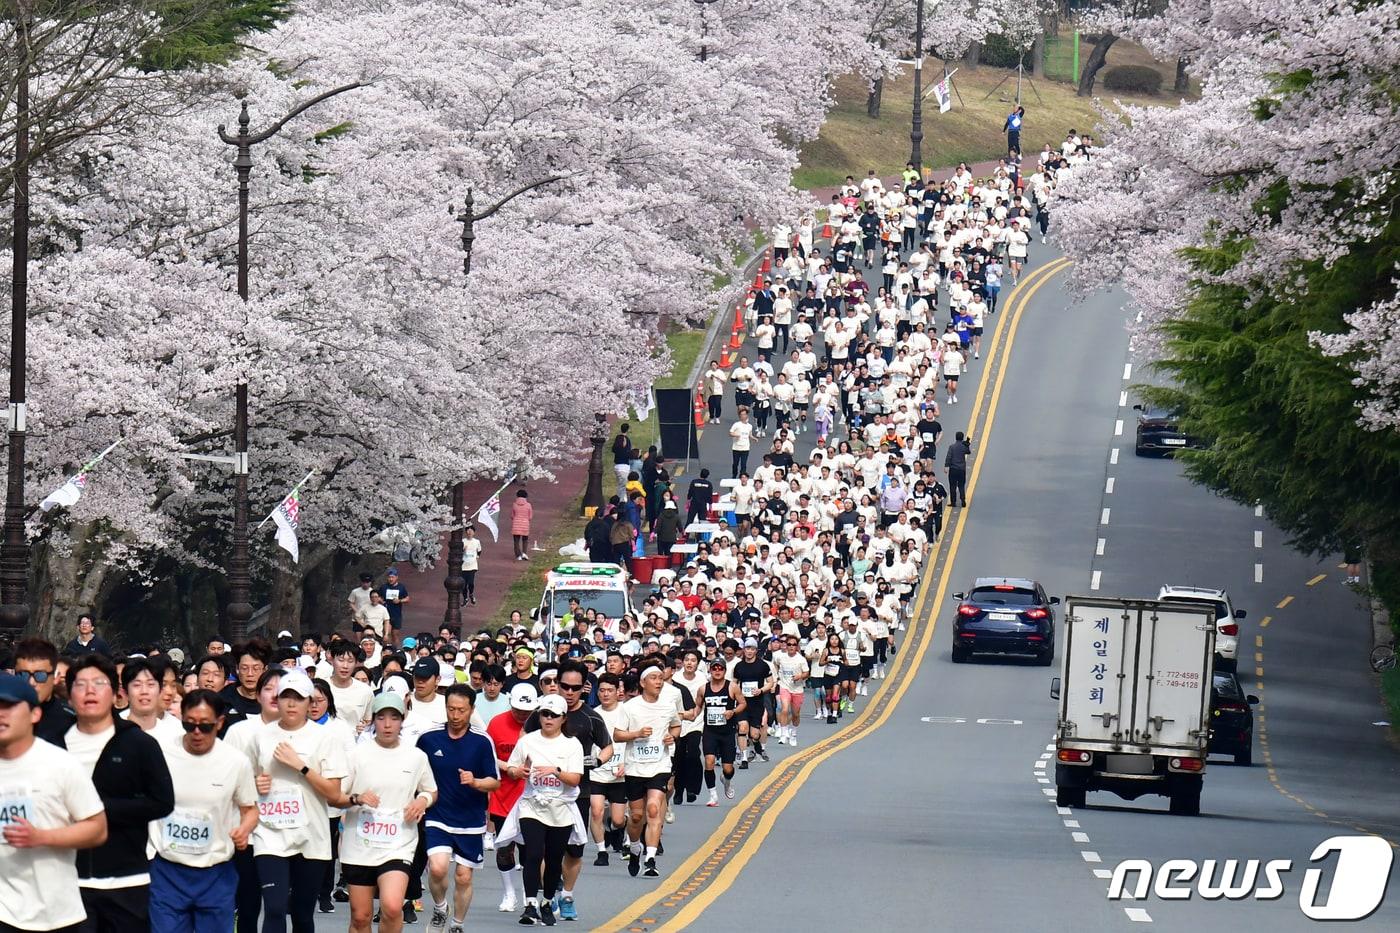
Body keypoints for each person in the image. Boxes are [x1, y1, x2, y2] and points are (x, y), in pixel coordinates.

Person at [58, 653, 175, 932]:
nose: (89, 691)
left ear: (115, 693)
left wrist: (101, 810)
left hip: (126, 880)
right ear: (69, 694)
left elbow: (162, 801)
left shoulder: (138, 743)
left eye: (99, 683)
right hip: (66, 879)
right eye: (81, 684)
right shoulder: (54, 742)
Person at [0, 671, 108, 933]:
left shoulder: (61, 764)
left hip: (54, 913)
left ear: (35, 714)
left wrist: (41, 837)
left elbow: (97, 828)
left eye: (10, 706)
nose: (1, 714)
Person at [246, 669, 349, 933]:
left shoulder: (326, 738)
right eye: (286, 697)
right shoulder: (260, 737)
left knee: (302, 914)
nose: (291, 704)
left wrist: (301, 767)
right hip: (270, 835)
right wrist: (254, 784)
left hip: (311, 836)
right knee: (275, 908)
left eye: (299, 698)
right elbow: (241, 783)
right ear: (277, 700)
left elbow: (335, 794)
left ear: (309, 703)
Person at [149, 689, 258, 933]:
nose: (196, 732)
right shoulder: (160, 754)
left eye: (205, 726)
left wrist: (244, 830)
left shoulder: (235, 761)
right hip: (169, 870)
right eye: (189, 724)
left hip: (216, 872)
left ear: (219, 722)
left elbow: (250, 809)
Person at [337, 692, 437, 933]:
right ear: (373, 720)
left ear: (403, 720)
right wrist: (357, 798)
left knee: (392, 906)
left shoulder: (416, 757)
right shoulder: (356, 755)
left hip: (398, 842)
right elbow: (337, 795)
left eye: (394, 717)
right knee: (361, 917)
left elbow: (431, 790)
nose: (388, 724)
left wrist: (422, 801)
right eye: (381, 718)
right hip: (358, 843)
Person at [525, 661, 612, 922]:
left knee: (573, 851)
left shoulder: (590, 717)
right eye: (564, 686)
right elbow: (524, 739)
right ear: (556, 683)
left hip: (577, 793)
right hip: (540, 794)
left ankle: (567, 896)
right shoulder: (543, 711)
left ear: (584, 687)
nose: (569, 692)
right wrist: (528, 765)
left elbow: (607, 747)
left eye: (576, 687)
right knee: (539, 850)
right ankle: (549, 890)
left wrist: (594, 761)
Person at [418, 685, 500, 933]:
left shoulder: (482, 741)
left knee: (464, 876)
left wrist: (475, 782)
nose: (455, 716)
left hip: (471, 819)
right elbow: (414, 772)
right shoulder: (428, 738)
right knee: (437, 867)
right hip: (437, 815)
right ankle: (441, 907)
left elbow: (494, 781)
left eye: (461, 711)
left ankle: (457, 924)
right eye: (451, 709)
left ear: (471, 710)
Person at [499, 693, 585, 926]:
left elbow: (576, 778)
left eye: (554, 715)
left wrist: (555, 771)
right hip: (532, 805)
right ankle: (530, 904)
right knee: (533, 853)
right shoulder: (527, 741)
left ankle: (547, 901)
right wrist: (519, 772)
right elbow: (513, 768)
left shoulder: (571, 745)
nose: (548, 719)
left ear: (563, 718)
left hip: (561, 808)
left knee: (554, 858)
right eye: (544, 714)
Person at [614, 661, 681, 878]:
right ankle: (635, 847)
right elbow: (617, 735)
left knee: (653, 809)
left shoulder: (668, 705)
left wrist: (673, 736)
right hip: (635, 767)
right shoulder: (629, 707)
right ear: (643, 682)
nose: (658, 682)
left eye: (661, 678)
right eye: (653, 678)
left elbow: (676, 724)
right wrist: (637, 734)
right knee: (636, 816)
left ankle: (650, 859)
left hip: (660, 765)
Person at [487, 684, 537, 913]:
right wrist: (508, 767)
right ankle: (509, 893)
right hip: (503, 795)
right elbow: (487, 756)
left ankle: (529, 895)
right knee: (504, 848)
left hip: (532, 797)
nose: (522, 715)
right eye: (518, 710)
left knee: (530, 850)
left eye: (527, 711)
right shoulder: (497, 723)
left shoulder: (542, 724)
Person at [586, 674, 628, 863]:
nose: (605, 694)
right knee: (596, 811)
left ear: (617, 691)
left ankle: (620, 831)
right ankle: (601, 851)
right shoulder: (592, 713)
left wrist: (626, 763)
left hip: (619, 773)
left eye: (609, 690)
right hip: (597, 771)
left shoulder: (626, 712)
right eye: (601, 690)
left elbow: (634, 741)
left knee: (618, 819)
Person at [12, 637, 76, 745]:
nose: (31, 682)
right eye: (23, 675)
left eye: (40, 675)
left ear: (56, 678)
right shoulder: (5, 716)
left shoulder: (72, 723)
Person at [699, 659, 744, 806]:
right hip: (710, 731)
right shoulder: (703, 689)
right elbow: (696, 708)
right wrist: (685, 715)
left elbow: (743, 703)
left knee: (728, 768)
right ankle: (713, 795)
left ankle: (727, 780)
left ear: (725, 671)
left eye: (720, 669)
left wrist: (733, 711)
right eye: (714, 669)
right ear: (710, 671)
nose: (717, 671)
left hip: (727, 732)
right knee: (709, 761)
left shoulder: (732, 687)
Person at [120, 657, 184, 745]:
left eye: (173, 685)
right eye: (163, 684)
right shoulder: (116, 726)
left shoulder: (178, 729)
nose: (169, 692)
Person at [328, 640, 374, 730]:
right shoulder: (322, 687)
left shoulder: (365, 690)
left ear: (356, 663)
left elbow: (369, 721)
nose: (345, 666)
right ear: (332, 660)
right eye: (341, 660)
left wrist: (365, 728)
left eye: (350, 661)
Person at [379, 567, 412, 646]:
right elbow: (378, 596)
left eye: (392, 577)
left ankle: (395, 650)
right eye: (389, 577)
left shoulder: (401, 587)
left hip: (396, 614)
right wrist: (381, 601)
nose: (391, 579)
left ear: (396, 577)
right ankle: (388, 649)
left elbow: (407, 599)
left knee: (395, 635)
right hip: (386, 614)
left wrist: (400, 601)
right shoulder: (384, 587)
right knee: (387, 633)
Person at [944, 431, 972, 508]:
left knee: (952, 486)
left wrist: (946, 466)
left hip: (953, 469)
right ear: (962, 437)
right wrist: (967, 445)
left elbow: (948, 457)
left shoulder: (952, 447)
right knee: (961, 485)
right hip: (961, 469)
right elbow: (968, 452)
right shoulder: (963, 446)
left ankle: (953, 502)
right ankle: (963, 500)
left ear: (956, 437)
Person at [461, 525, 483, 606]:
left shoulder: (476, 542)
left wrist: (477, 557)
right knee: (463, 584)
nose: (469, 532)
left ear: (474, 532)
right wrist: (463, 549)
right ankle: (465, 598)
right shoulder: (463, 541)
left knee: (470, 582)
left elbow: (479, 551)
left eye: (471, 531)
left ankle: (471, 594)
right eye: (468, 530)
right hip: (464, 565)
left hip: (472, 565)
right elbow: (459, 551)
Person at [611, 424, 635, 498]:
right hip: (624, 467)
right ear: (627, 430)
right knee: (623, 487)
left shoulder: (617, 438)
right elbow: (629, 453)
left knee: (620, 485)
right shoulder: (627, 440)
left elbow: (613, 449)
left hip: (617, 466)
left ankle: (619, 500)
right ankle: (621, 502)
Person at [729, 406, 753, 478]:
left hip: (745, 448)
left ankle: (742, 476)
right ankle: (734, 475)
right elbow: (730, 433)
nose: (743, 416)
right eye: (742, 414)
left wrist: (753, 438)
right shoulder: (736, 424)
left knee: (743, 464)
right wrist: (736, 435)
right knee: (735, 463)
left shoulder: (750, 426)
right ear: (739, 416)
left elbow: (750, 434)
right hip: (736, 447)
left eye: (745, 414)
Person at [512, 490, 534, 561]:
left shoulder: (514, 504)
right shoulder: (528, 505)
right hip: (525, 524)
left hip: (516, 524)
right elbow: (530, 516)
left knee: (516, 541)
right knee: (525, 539)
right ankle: (524, 553)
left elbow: (512, 515)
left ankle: (518, 555)